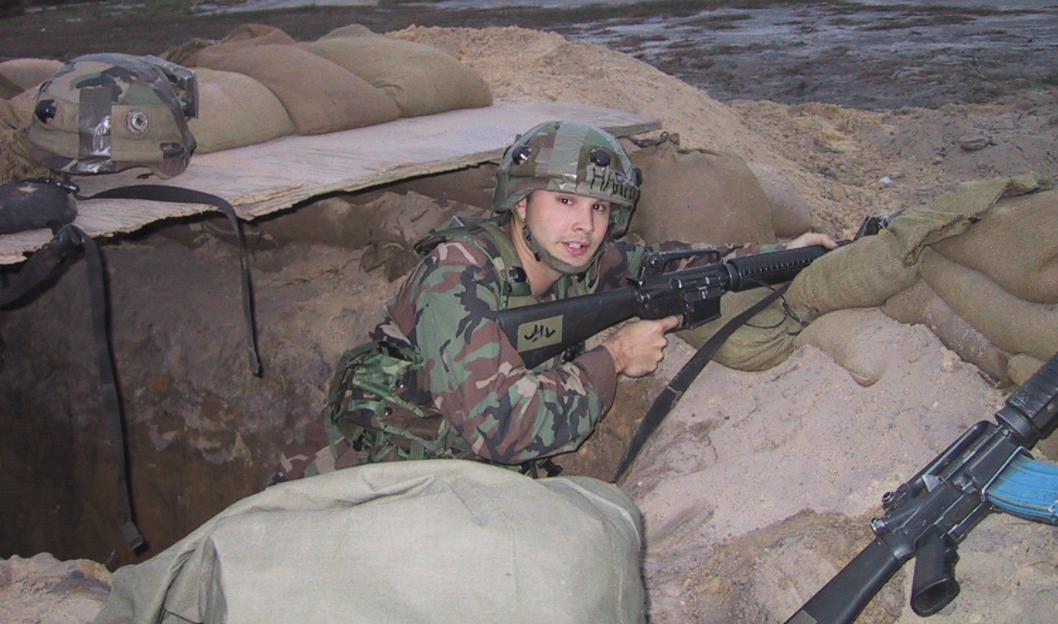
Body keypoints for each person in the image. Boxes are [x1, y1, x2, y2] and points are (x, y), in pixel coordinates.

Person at [272, 120, 836, 482]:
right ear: (520, 203)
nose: (584, 225)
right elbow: (501, 427)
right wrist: (615, 358)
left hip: (447, 478)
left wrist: (781, 254)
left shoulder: (577, 261)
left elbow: (666, 262)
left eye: (599, 208)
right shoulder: (456, 274)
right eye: (565, 201)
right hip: (356, 479)